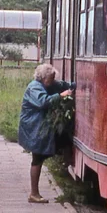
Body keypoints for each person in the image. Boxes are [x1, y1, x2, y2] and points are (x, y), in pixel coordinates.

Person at [17, 63, 73, 204]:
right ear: (43, 77)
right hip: (33, 126)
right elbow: (43, 102)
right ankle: (34, 194)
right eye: (51, 78)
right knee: (38, 157)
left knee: (64, 142)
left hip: (40, 126)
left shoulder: (48, 84)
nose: (53, 81)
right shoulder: (34, 87)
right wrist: (61, 96)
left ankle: (66, 173)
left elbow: (64, 85)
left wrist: (75, 85)